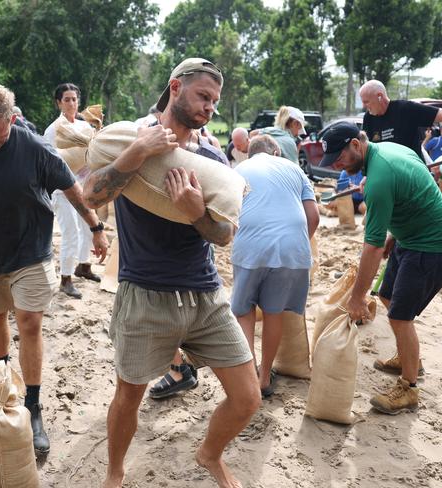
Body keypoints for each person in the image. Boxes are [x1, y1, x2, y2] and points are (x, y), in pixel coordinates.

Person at [82, 57, 260, 488]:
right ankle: (115, 472)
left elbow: (223, 234)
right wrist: (139, 151)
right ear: (176, 87)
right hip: (145, 293)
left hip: (205, 295)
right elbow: (91, 193)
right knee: (129, 396)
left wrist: (197, 213)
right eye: (203, 96)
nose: (210, 108)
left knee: (248, 398)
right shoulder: (131, 136)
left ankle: (209, 455)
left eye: (215, 101)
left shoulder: (212, 157)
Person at [0, 84, 108, 454]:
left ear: (12, 120)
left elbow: (71, 187)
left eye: (0, 136)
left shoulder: (35, 147)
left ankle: (32, 403)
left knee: (29, 322)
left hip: (32, 252)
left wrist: (95, 228)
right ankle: (2, 382)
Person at [319, 121, 442, 415]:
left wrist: (357, 298)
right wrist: (397, 234)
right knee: (386, 297)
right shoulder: (387, 152)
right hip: (410, 239)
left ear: (355, 145)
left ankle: (409, 388)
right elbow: (417, 187)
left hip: (431, 247)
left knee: (400, 317)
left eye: (340, 158)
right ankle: (410, 359)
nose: (339, 167)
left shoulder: (380, 178)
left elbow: (372, 246)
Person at [232, 134, 319, 397]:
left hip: (251, 245)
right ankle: (263, 378)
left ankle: (246, 379)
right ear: (277, 152)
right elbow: (313, 216)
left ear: (250, 153)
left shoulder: (239, 170)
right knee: (274, 311)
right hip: (293, 249)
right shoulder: (295, 169)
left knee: (244, 312)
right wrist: (295, 243)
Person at [44, 83, 100, 299]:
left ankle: (84, 266)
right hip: (62, 189)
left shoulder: (84, 127)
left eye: (74, 99)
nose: (71, 103)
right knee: (71, 233)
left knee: (88, 227)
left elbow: (91, 154)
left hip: (84, 184)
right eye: (66, 99)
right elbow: (50, 162)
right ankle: (65, 279)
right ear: (58, 102)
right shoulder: (53, 130)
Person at [359, 80, 442, 162]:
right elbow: (368, 150)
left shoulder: (405, 109)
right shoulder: (368, 118)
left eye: (366, 101)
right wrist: (367, 175)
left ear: (380, 96)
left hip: (413, 174)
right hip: (389, 176)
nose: (364, 106)